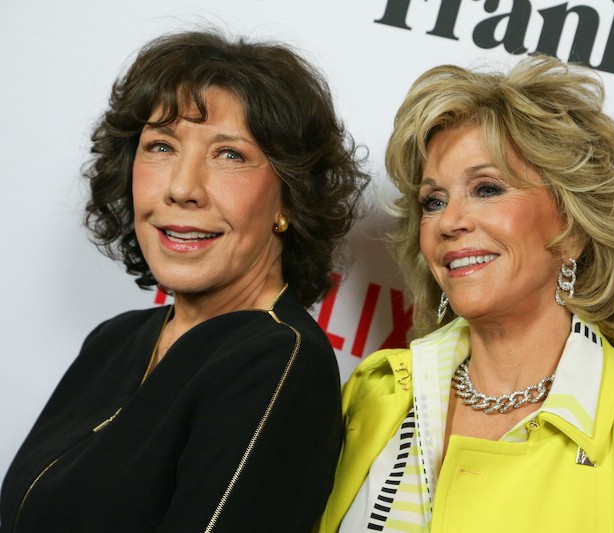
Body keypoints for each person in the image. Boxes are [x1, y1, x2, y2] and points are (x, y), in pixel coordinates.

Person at [318, 55, 614, 532]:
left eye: (487, 189)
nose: (449, 222)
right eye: (434, 201)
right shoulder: (375, 394)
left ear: (573, 227)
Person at [0, 30, 369, 532]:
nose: (181, 188)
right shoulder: (115, 340)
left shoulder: (276, 361)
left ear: (288, 196)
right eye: (161, 146)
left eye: (229, 155)